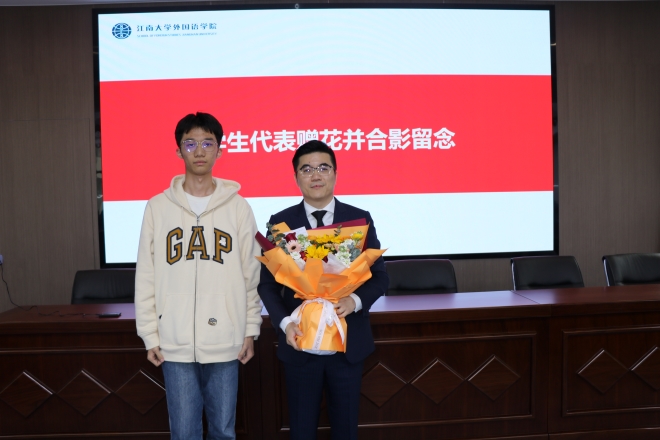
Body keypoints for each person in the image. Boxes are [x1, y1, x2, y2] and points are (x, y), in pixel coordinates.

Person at [134, 112, 262, 440]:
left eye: (208, 143)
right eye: (190, 144)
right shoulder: (157, 207)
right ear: (178, 150)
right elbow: (146, 274)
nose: (200, 151)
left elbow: (251, 274)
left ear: (220, 149)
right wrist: (150, 333)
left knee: (223, 431)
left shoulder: (238, 208)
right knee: (183, 433)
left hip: (226, 339)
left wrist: (250, 329)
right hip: (173, 341)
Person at [257, 140, 389, 440]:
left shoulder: (359, 219)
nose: (315, 175)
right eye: (306, 169)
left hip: (347, 342)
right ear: (296, 177)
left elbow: (380, 277)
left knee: (346, 430)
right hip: (300, 343)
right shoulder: (280, 223)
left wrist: (354, 301)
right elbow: (266, 284)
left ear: (335, 173)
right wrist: (286, 324)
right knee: (301, 430)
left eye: (323, 168)